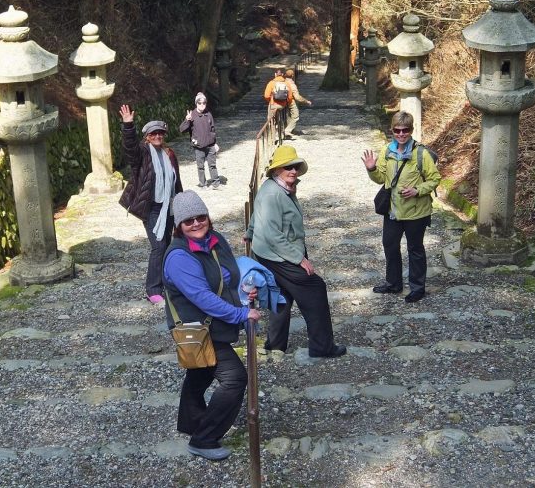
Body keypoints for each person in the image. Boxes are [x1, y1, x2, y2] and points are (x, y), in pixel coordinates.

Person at [163, 190, 261, 461]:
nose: (196, 223)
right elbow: (202, 297)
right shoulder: (179, 257)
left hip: (213, 323)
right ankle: (204, 439)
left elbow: (228, 276)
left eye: (200, 217)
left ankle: (192, 423)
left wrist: (243, 292)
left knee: (201, 371)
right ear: (179, 226)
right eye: (188, 220)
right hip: (199, 327)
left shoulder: (215, 240)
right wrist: (241, 314)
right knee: (234, 378)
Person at [245, 145, 346, 358]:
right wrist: (299, 259)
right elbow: (272, 234)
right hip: (276, 254)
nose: (293, 171)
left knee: (282, 294)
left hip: (274, 251)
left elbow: (257, 213)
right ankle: (322, 347)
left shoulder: (278, 187)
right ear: (276, 169)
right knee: (315, 288)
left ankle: (275, 345)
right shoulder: (273, 193)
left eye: (295, 167)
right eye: (288, 167)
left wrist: (251, 231)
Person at [361, 111, 441, 303]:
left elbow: (435, 179)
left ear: (411, 130)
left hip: (416, 212)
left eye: (405, 130)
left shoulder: (421, 153)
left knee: (415, 249)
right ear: (392, 130)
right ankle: (393, 283)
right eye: (397, 130)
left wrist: (417, 190)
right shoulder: (387, 151)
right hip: (393, 210)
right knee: (390, 246)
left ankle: (417, 288)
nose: (401, 134)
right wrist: (372, 169)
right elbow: (381, 178)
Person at [118, 104, 183, 304]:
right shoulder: (143, 153)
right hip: (151, 207)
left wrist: (181, 205)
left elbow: (176, 181)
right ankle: (152, 289)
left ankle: (167, 283)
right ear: (147, 137)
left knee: (168, 244)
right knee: (158, 246)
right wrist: (128, 125)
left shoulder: (169, 154)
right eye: (153, 134)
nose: (157, 136)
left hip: (168, 206)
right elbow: (130, 149)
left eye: (160, 133)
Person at [179, 92, 220, 190]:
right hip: (199, 146)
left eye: (204, 103)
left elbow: (213, 130)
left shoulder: (208, 114)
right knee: (200, 167)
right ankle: (203, 184)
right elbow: (182, 130)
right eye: (199, 103)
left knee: (212, 165)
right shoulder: (191, 115)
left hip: (210, 145)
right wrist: (187, 120)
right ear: (196, 103)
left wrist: (215, 143)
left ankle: (216, 184)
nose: (202, 105)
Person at [283, 68, 312, 137]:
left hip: (283, 102)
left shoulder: (283, 82)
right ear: (292, 75)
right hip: (291, 102)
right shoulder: (291, 84)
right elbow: (297, 97)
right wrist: (306, 101)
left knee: (288, 117)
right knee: (295, 116)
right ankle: (287, 131)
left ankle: (291, 130)